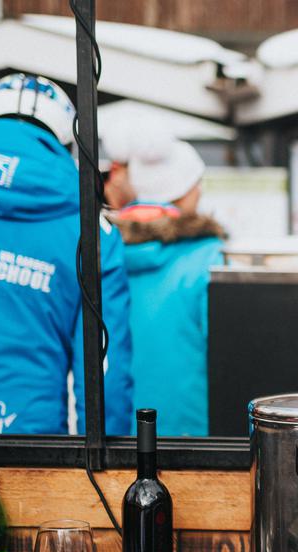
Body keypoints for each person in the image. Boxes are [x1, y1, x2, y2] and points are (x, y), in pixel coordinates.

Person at [0, 73, 133, 435]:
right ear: (65, 143)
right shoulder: (90, 228)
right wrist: (108, 470)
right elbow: (104, 369)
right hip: (26, 448)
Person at [111, 134, 225, 436]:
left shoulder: (103, 249)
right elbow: (227, 353)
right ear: (186, 191)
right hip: (191, 435)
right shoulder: (208, 257)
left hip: (117, 430)